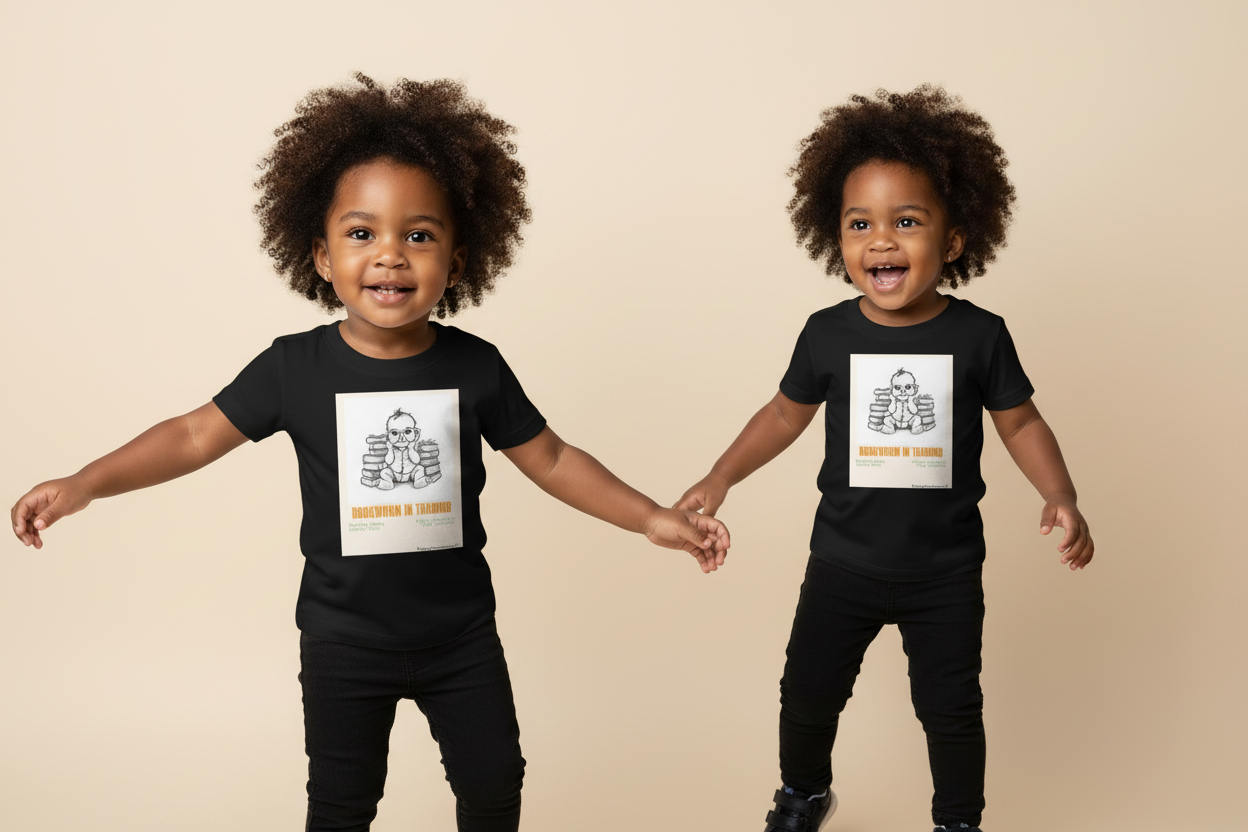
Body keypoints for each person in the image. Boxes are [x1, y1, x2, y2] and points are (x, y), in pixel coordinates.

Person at [10, 74, 729, 832]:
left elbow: (551, 459)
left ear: (455, 264)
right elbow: (191, 435)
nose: (390, 255)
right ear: (320, 257)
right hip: (343, 642)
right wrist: (86, 483)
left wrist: (649, 518)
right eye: (362, 234)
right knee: (343, 803)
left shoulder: (475, 366)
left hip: (461, 637)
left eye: (418, 235)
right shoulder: (293, 369)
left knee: (494, 783)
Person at [676, 86, 1093, 832]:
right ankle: (803, 794)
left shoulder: (980, 336)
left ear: (955, 240)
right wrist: (721, 475)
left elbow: (1021, 421)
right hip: (842, 563)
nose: (882, 242)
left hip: (945, 572)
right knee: (806, 695)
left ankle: (958, 820)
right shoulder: (827, 334)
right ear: (833, 237)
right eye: (860, 223)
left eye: (907, 222)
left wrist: (1059, 492)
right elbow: (781, 415)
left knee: (952, 709)